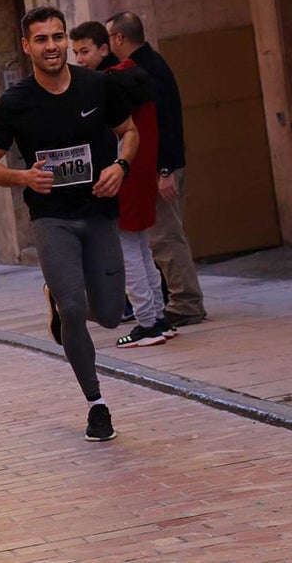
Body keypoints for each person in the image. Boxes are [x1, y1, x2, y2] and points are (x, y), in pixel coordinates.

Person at [0, 6, 138, 442]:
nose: (52, 46)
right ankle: (96, 404)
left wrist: (120, 166)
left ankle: (60, 301)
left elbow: (130, 131)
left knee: (107, 314)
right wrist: (23, 177)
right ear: (27, 46)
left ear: (67, 40)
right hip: (52, 218)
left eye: (58, 37)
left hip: (99, 212)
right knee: (72, 308)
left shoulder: (98, 86)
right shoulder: (15, 102)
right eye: (42, 39)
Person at [70, 21, 175, 347]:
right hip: (139, 172)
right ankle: (158, 318)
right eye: (76, 53)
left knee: (130, 253)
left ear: (104, 48)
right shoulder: (136, 76)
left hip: (123, 175)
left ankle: (147, 322)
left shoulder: (109, 85)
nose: (79, 59)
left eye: (83, 51)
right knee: (142, 250)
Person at [107, 11, 207, 327]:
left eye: (110, 38)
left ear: (119, 38)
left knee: (166, 237)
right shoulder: (151, 65)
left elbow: (163, 125)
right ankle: (177, 301)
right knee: (159, 238)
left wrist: (164, 171)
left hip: (162, 168)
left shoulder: (146, 70)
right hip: (161, 165)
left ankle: (187, 302)